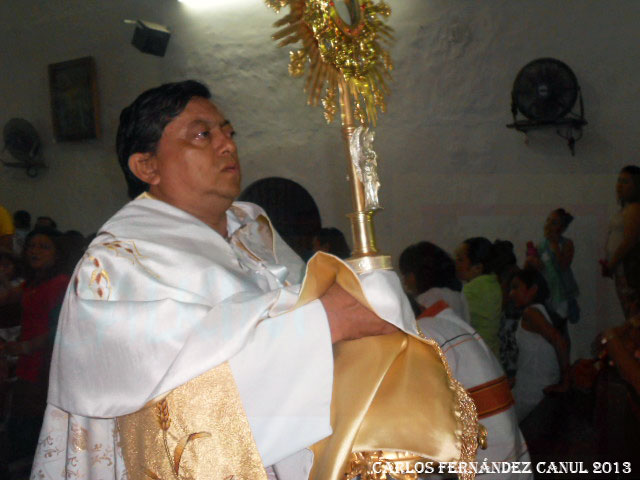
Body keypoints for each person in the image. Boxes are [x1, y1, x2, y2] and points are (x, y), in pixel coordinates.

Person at [29, 80, 414, 480]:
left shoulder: (254, 230)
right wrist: (325, 322)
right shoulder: (116, 263)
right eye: (202, 135)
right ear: (147, 167)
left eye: (228, 132)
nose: (227, 145)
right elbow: (166, 407)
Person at [0, 228, 69, 465]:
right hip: (27, 362)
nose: (35, 251)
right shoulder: (33, 283)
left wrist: (26, 347)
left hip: (44, 362)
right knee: (20, 420)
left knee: (32, 423)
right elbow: (6, 297)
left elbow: (61, 327)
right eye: (31, 246)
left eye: (44, 247)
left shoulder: (61, 283)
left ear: (57, 254)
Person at [509, 268, 569, 421]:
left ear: (533, 290)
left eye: (516, 287)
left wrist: (566, 381)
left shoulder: (531, 313)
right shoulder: (540, 312)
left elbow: (559, 341)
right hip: (536, 389)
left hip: (531, 393)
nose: (511, 293)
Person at [527, 208, 580, 326]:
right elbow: (540, 269)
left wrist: (555, 247)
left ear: (562, 228)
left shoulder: (566, 244)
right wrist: (533, 261)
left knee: (560, 322)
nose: (548, 225)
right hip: (549, 292)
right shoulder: (541, 246)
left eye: (554, 223)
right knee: (550, 322)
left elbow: (564, 266)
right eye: (548, 220)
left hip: (564, 293)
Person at [399, 241, 470, 323]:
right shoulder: (458, 295)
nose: (404, 281)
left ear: (420, 273)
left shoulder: (427, 299)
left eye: (406, 275)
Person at [602, 165, 640, 318]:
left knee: (633, 315)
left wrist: (612, 264)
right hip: (623, 270)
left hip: (630, 271)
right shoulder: (627, 208)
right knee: (630, 314)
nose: (619, 185)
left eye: (625, 181)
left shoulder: (635, 209)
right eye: (619, 181)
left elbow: (630, 240)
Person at [455, 237, 503, 356]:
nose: (456, 264)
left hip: (478, 353)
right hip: (492, 354)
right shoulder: (493, 283)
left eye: (460, 260)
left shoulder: (472, 289)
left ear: (477, 268)